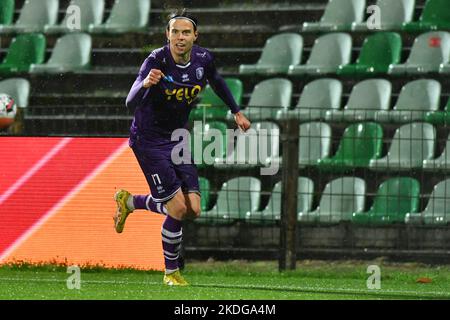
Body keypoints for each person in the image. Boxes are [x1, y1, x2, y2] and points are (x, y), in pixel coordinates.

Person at [114, 9, 251, 286]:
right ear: (167, 35)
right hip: (148, 140)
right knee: (176, 209)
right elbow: (130, 103)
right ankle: (170, 273)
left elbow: (217, 80)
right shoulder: (155, 60)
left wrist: (236, 111)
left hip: (177, 137)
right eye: (174, 32)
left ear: (195, 36)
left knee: (193, 209)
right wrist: (145, 84)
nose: (180, 37)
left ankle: (130, 201)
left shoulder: (203, 59)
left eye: (185, 32)